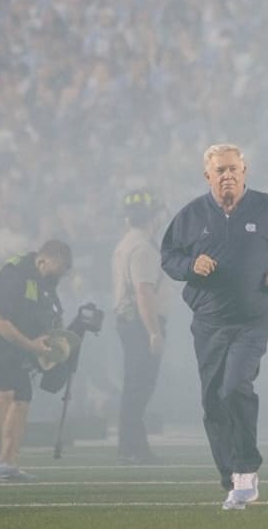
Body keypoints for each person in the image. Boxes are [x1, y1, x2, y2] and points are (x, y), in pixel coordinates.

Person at [161, 143, 268, 511]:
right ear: (207, 176)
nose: (227, 175)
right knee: (213, 401)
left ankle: (246, 472)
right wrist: (190, 266)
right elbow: (168, 256)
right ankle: (230, 477)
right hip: (209, 323)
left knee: (234, 387)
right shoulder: (191, 215)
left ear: (245, 172)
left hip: (253, 321)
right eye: (220, 170)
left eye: (233, 169)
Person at [0, 239, 72, 482]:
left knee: (22, 395)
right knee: (5, 390)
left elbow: (52, 320)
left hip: (8, 339)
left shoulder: (45, 282)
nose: (58, 278)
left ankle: (8, 463)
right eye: (58, 271)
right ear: (44, 260)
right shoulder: (15, 274)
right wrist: (32, 346)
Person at [112, 189, 170, 464]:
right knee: (140, 386)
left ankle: (131, 444)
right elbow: (143, 292)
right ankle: (133, 446)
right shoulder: (143, 248)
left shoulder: (126, 243)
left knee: (134, 385)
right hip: (140, 322)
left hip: (129, 321)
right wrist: (154, 331)